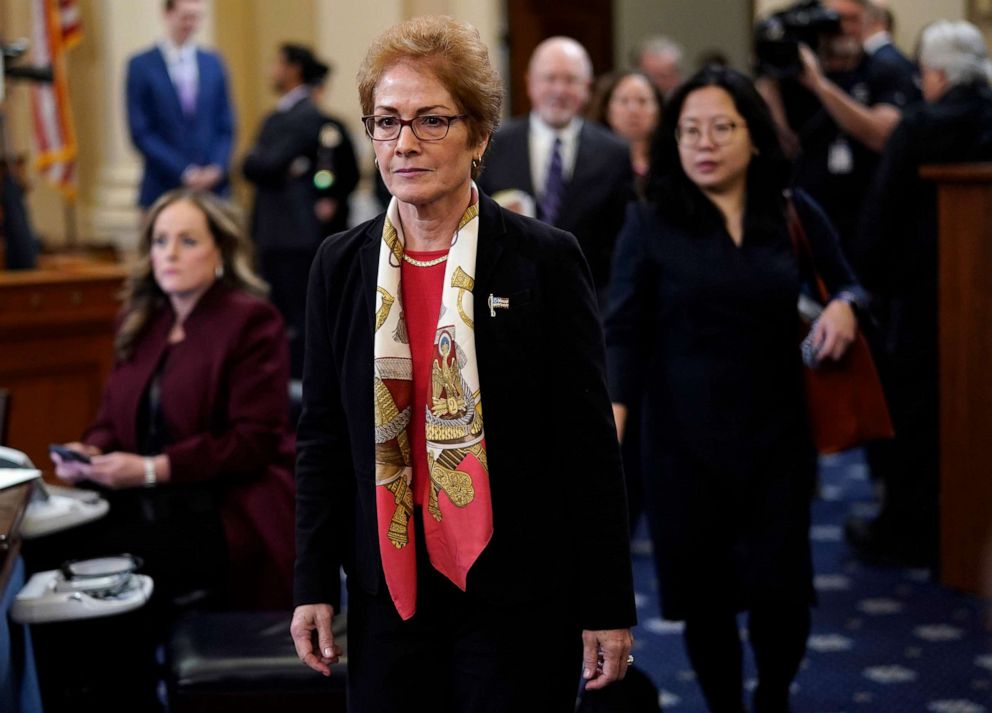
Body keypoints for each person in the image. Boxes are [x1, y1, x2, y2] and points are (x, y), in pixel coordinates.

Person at [290, 16, 635, 713]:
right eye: (385, 121)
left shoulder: (546, 258)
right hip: (388, 585)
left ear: (479, 135)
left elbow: (588, 445)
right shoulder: (340, 265)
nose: (404, 143)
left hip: (519, 586)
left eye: (431, 120)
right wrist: (313, 580)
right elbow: (322, 436)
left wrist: (606, 601)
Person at [605, 66, 866, 712]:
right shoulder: (650, 219)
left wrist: (845, 308)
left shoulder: (791, 209)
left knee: (783, 591)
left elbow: (853, 283)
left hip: (777, 434)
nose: (705, 142)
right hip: (681, 444)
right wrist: (610, 422)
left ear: (754, 136)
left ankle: (773, 697)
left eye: (722, 127)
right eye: (691, 129)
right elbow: (624, 332)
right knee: (705, 599)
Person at [847, 20, 992, 567]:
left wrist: (865, 286)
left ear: (933, 74)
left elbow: (880, 219)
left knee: (910, 423)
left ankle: (908, 531)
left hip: (919, 301)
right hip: (983, 306)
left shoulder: (919, 125)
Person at [477, 37, 632, 306]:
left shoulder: (615, 153)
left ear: (587, 87)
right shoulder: (493, 146)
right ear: (530, 82)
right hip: (509, 305)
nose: (559, 90)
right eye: (550, 78)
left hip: (588, 304)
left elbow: (622, 243)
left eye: (571, 80)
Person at [756, 0, 919, 253]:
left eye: (850, 19)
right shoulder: (800, 77)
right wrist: (772, 84)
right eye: (832, 19)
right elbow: (785, 147)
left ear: (868, 20)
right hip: (812, 219)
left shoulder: (883, 68)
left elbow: (883, 135)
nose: (841, 29)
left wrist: (820, 86)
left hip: (870, 220)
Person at [242, 43, 359, 377]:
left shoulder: (305, 117)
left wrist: (278, 164)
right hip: (278, 232)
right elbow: (248, 166)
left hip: (294, 235)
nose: (271, 70)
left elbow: (264, 163)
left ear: (293, 69)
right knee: (283, 316)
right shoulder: (283, 117)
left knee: (299, 318)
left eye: (277, 63)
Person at [126, 0, 235, 208]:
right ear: (168, 14)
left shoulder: (213, 63)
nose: (191, 24)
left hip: (213, 190)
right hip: (163, 187)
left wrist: (216, 167)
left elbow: (226, 125)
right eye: (185, 17)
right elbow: (140, 132)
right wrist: (184, 171)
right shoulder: (141, 65)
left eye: (196, 17)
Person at [588, 70, 663, 198]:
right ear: (606, 109)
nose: (633, 110)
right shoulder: (590, 162)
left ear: (658, 109)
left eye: (642, 101)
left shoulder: (672, 159)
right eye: (624, 101)